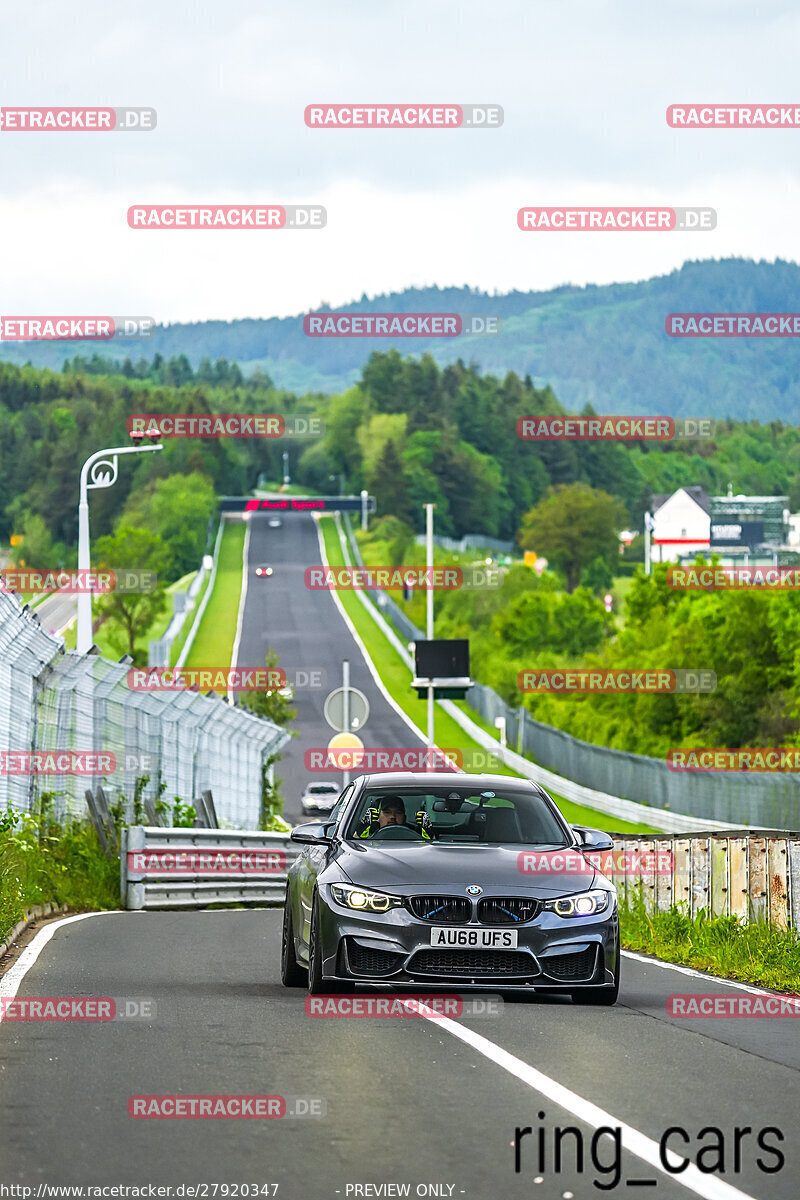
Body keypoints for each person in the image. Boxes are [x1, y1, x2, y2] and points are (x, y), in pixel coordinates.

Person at [357, 795, 432, 839]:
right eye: (387, 812)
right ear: (377, 817)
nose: (392, 816)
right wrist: (362, 828)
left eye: (398, 813)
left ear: (404, 818)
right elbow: (353, 845)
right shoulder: (367, 833)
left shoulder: (417, 834)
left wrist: (428, 833)